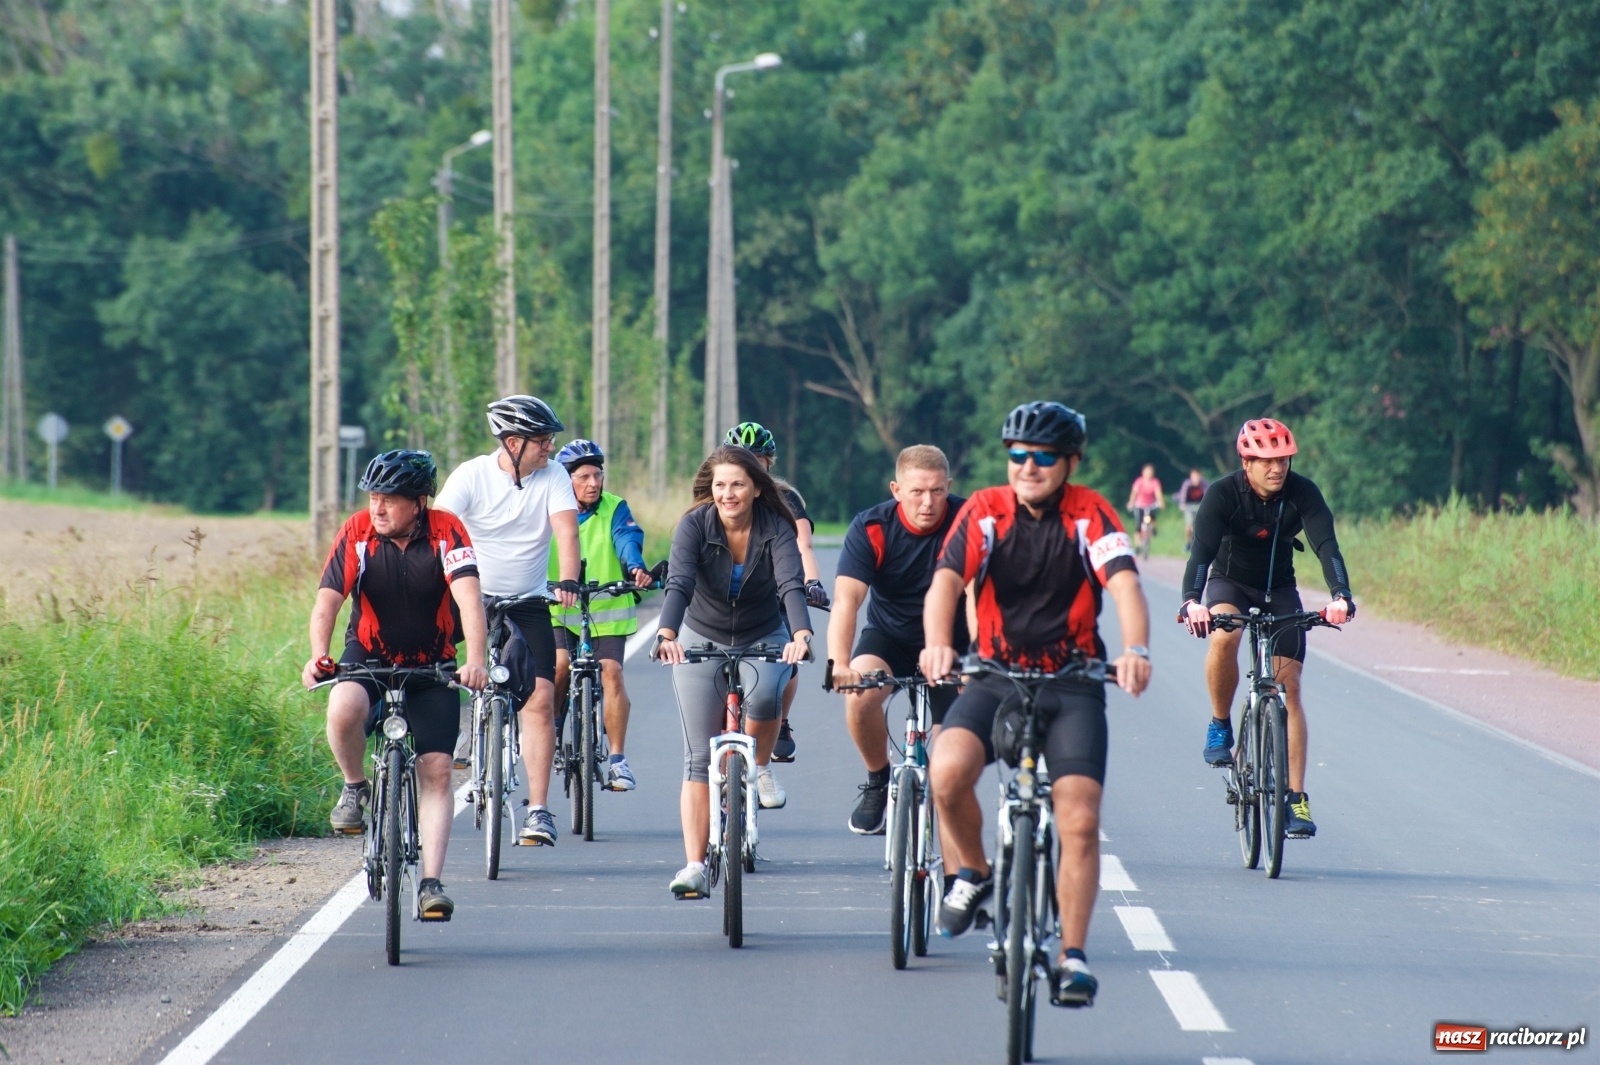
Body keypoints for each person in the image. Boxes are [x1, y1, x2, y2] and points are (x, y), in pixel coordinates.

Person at [919, 401, 1152, 1009]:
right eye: (1017, 455)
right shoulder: (985, 510)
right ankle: (973, 871)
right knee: (945, 773)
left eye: (1043, 458)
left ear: (1070, 462)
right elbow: (946, 580)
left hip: (1072, 682)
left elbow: (1124, 582)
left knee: (1078, 816)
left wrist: (1135, 649)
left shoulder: (1091, 514)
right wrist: (940, 644)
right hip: (994, 676)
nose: (1028, 467)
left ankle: (1072, 957)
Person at [303, 450, 488, 920]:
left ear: (418, 503)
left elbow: (469, 600)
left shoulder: (448, 530)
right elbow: (328, 599)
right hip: (369, 653)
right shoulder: (357, 531)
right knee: (343, 707)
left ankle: (430, 881)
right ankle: (355, 786)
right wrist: (318, 654)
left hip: (433, 663)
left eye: (389, 500)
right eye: (373, 497)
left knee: (438, 770)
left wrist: (476, 660)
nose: (377, 508)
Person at [1178, 418, 1355, 839]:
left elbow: (1325, 543)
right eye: (1267, 460)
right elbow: (1201, 552)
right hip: (1229, 582)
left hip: (1279, 587)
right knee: (1226, 635)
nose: (1277, 468)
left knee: (1289, 685)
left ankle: (1296, 798)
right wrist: (1191, 602)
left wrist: (1340, 595)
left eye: (1283, 459)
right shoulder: (1222, 494)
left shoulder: (1303, 492)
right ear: (1247, 461)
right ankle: (1221, 722)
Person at [651, 445, 814, 898]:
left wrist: (800, 633)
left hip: (765, 633)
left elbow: (790, 583)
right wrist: (666, 633)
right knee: (698, 759)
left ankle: (757, 767)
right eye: (720, 485)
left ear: (757, 488)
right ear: (711, 489)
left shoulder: (776, 527)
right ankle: (694, 866)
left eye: (738, 484)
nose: (728, 493)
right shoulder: (694, 525)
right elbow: (679, 582)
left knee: (764, 701)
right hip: (701, 635)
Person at [435, 395, 580, 848]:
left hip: (527, 600)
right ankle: (454, 731)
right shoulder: (472, 475)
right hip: (467, 595)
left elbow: (566, 531)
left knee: (538, 698)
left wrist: (569, 580)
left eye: (550, 439)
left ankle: (538, 810)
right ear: (512, 443)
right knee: (431, 664)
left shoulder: (554, 475)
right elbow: (438, 526)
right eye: (541, 440)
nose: (550, 448)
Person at [827, 444, 966, 843]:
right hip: (892, 637)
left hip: (954, 645)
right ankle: (877, 779)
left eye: (937, 491)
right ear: (896, 489)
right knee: (859, 697)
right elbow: (847, 601)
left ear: (949, 487)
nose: (928, 502)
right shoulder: (871, 527)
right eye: (917, 491)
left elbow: (983, 594)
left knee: (951, 752)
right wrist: (839, 664)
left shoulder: (968, 520)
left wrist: (981, 659)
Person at [547, 439, 654, 792]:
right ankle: (551, 728)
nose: (593, 483)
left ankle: (618, 760)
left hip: (607, 608)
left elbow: (627, 538)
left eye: (598, 475)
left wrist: (635, 566)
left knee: (612, 672)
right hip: (559, 610)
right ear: (566, 481)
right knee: (560, 666)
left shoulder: (614, 507)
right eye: (584, 477)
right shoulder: (548, 508)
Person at [723, 421, 829, 763]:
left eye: (759, 459)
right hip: (730, 592)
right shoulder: (721, 494)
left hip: (777, 585)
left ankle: (780, 721)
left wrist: (811, 582)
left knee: (789, 659)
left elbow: (803, 544)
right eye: (744, 459)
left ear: (770, 462)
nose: (752, 466)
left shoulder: (787, 498)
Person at [1126, 463, 1165, 556]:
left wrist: (1161, 502)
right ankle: (1138, 545)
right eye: (1147, 471)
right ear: (1143, 472)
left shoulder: (1155, 482)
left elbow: (1158, 493)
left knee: (1152, 520)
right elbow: (1134, 493)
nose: (1149, 473)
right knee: (1138, 525)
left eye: (1150, 471)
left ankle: (1152, 531)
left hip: (1151, 505)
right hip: (1140, 505)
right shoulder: (1139, 481)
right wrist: (1131, 503)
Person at [1178, 468, 1208, 553]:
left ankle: (1202, 544)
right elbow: (1183, 496)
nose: (1196, 478)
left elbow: (1207, 496)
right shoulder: (1187, 484)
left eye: (1197, 476)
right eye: (1194, 476)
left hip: (1200, 505)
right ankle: (1188, 543)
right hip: (1189, 506)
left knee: (1202, 525)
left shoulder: (1204, 484)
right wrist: (1182, 505)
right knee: (1188, 526)